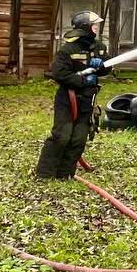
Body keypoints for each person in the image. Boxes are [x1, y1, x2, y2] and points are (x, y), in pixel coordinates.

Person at [35, 10, 110, 180]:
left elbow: (107, 67)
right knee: (62, 136)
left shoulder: (99, 47)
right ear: (85, 27)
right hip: (67, 99)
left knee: (78, 139)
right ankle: (45, 174)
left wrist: (102, 65)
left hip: (87, 100)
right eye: (94, 25)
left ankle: (65, 174)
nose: (97, 28)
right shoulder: (67, 50)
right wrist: (83, 80)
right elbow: (59, 74)